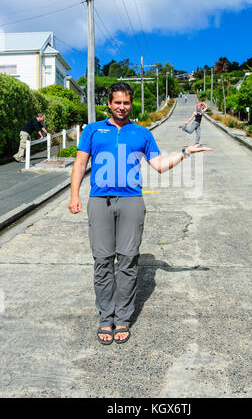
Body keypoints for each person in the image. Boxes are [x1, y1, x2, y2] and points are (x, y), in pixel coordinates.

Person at [68, 82, 213, 345]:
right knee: (102, 261)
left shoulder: (142, 133)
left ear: (130, 104)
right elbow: (80, 163)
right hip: (99, 200)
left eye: (126, 103)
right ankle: (105, 318)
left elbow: (158, 165)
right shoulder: (92, 130)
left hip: (131, 200)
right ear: (109, 104)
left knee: (128, 260)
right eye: (117, 102)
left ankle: (122, 318)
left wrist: (184, 153)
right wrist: (74, 195)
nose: (122, 107)